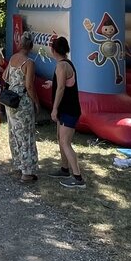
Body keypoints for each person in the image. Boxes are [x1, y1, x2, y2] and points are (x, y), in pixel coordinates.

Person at [50, 35, 86, 189]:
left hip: (68, 110)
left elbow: (61, 88)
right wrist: (51, 83)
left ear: (53, 50)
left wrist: (54, 109)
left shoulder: (61, 66)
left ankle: (78, 178)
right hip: (66, 109)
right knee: (61, 139)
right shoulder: (66, 63)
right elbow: (62, 83)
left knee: (65, 142)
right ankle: (64, 169)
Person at [3, 33, 39, 183]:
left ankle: (18, 164)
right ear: (31, 46)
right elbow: (29, 86)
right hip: (23, 102)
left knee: (14, 133)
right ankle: (27, 172)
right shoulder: (29, 63)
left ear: (20, 44)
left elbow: (5, 77)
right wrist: (36, 102)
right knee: (26, 134)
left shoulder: (13, 58)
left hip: (11, 100)